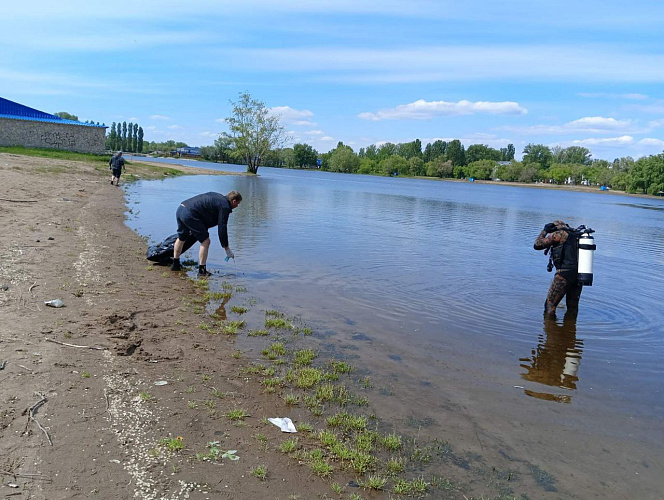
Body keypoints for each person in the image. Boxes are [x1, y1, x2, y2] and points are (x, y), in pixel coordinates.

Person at [170, 191, 242, 277]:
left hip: (181, 209)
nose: (237, 206)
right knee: (205, 241)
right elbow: (222, 228)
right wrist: (226, 248)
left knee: (182, 238)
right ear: (234, 200)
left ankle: (175, 264)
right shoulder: (225, 206)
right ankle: (202, 271)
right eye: (238, 203)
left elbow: (205, 212)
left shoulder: (218, 197)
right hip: (190, 214)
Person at [534, 220, 584, 316]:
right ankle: (570, 329)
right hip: (579, 276)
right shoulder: (577, 235)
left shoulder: (559, 234)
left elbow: (537, 245)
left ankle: (549, 329)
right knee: (573, 308)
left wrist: (545, 231)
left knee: (549, 306)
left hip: (564, 275)